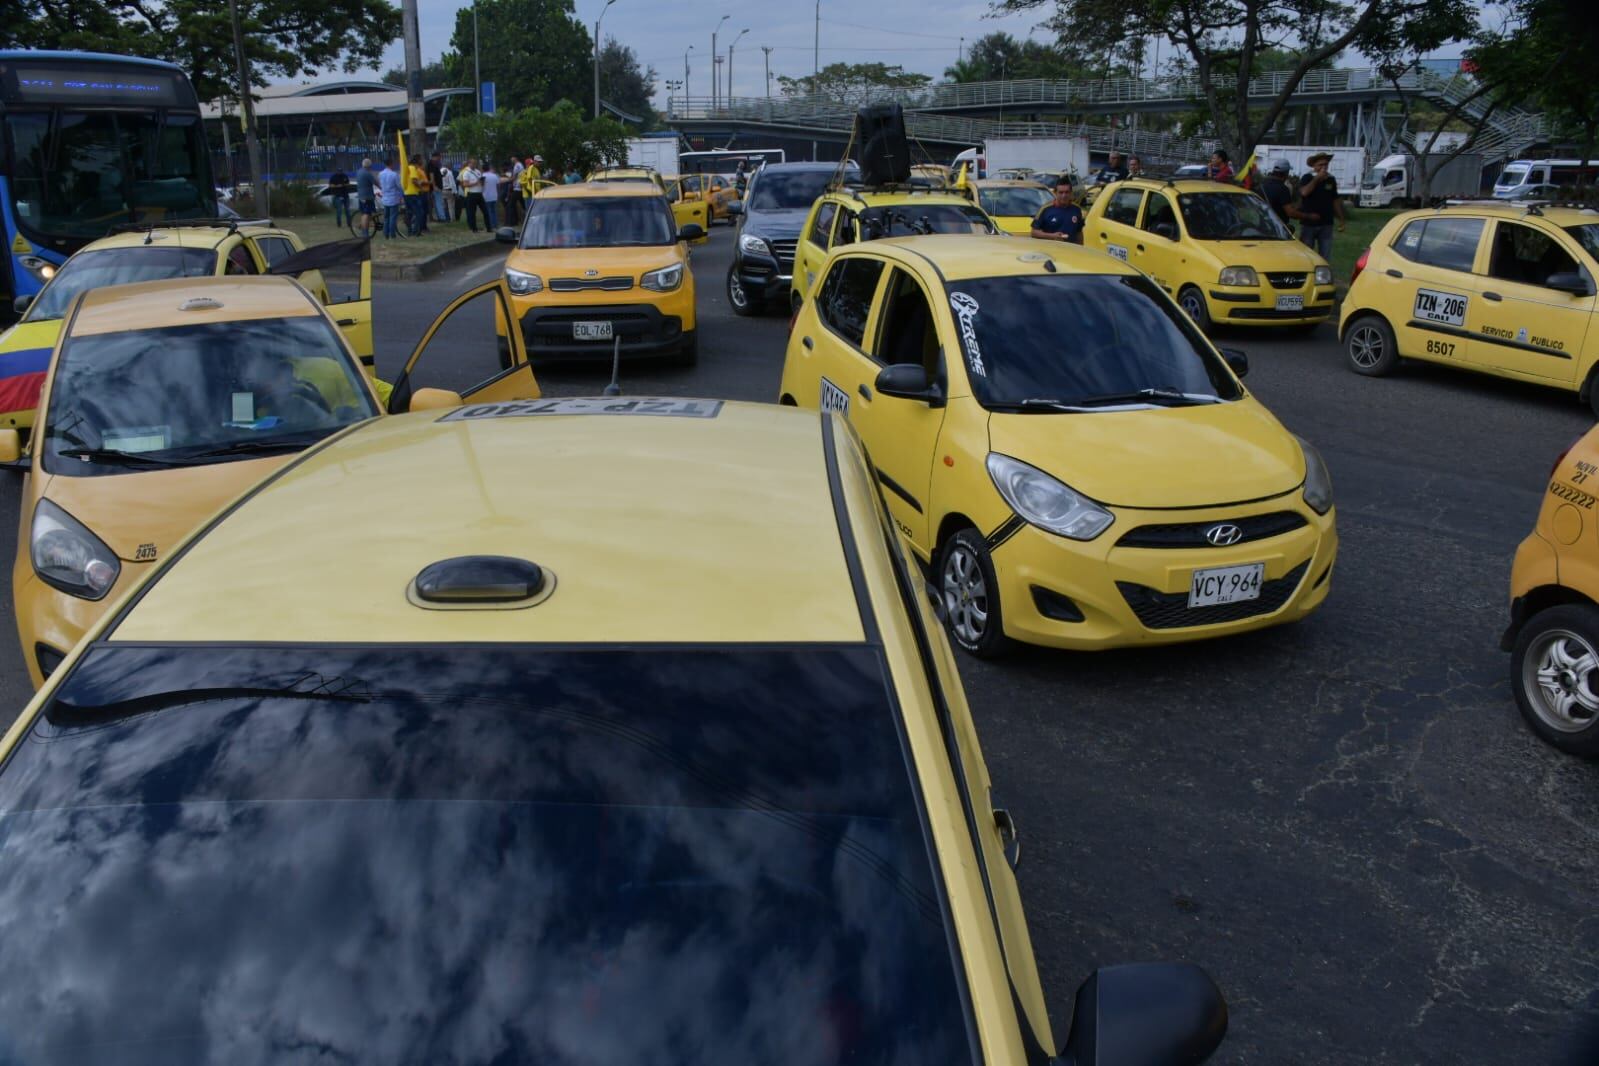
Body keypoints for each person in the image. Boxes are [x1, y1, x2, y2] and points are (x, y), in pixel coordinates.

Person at [1297, 151, 1346, 259]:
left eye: (1326, 164)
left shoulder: (1330, 179)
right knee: (1306, 254)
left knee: (1325, 255)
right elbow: (1304, 192)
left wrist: (1341, 219)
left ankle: (1323, 274)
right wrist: (1317, 178)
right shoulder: (1307, 177)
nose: (1324, 167)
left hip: (1326, 223)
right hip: (1309, 223)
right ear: (1314, 166)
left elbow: (1335, 200)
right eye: (1320, 165)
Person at [1030, 178, 1085, 245]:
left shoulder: (1077, 209)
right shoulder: (1046, 209)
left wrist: (1080, 248)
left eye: (1067, 192)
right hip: (1050, 251)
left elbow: (1079, 233)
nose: (1064, 196)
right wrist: (1052, 236)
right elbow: (1034, 232)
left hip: (1071, 251)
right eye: (1061, 192)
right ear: (1055, 193)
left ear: (1071, 193)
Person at [1259, 158, 1307, 231]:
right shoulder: (1283, 189)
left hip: (1263, 227)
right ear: (1286, 173)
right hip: (1278, 230)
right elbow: (1290, 213)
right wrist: (1308, 216)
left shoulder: (1263, 185)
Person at [378, 157, 404, 239]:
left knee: (386, 217)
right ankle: (392, 234)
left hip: (385, 198)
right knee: (393, 217)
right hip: (393, 198)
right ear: (391, 164)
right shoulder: (394, 174)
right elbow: (399, 186)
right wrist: (401, 195)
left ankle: (386, 234)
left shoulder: (380, 174)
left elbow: (381, 185)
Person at [458, 157, 485, 232]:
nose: (474, 164)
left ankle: (473, 226)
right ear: (468, 164)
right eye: (472, 163)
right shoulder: (463, 172)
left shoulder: (476, 171)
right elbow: (461, 182)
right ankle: (471, 226)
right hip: (468, 192)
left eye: (475, 163)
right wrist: (463, 190)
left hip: (477, 192)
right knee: (470, 211)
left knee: (472, 210)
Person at [354, 158, 377, 231]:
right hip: (367, 197)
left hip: (361, 196)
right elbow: (375, 182)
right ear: (369, 166)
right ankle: (364, 233)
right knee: (366, 214)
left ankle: (361, 225)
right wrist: (383, 188)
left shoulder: (359, 172)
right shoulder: (367, 173)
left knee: (367, 213)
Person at [428, 152, 447, 222]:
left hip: (436, 186)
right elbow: (431, 175)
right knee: (439, 202)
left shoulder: (434, 164)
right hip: (435, 187)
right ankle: (442, 217)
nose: (440, 159)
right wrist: (434, 186)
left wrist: (442, 175)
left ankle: (440, 217)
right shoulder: (432, 164)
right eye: (439, 157)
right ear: (436, 157)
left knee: (437, 202)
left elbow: (435, 176)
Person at [481, 162, 501, 230]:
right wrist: (498, 194)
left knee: (488, 211)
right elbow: (498, 186)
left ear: (482, 169)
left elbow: (481, 186)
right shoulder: (494, 175)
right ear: (489, 168)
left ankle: (491, 225)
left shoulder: (482, 176)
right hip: (494, 195)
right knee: (494, 211)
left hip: (486, 196)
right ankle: (495, 224)